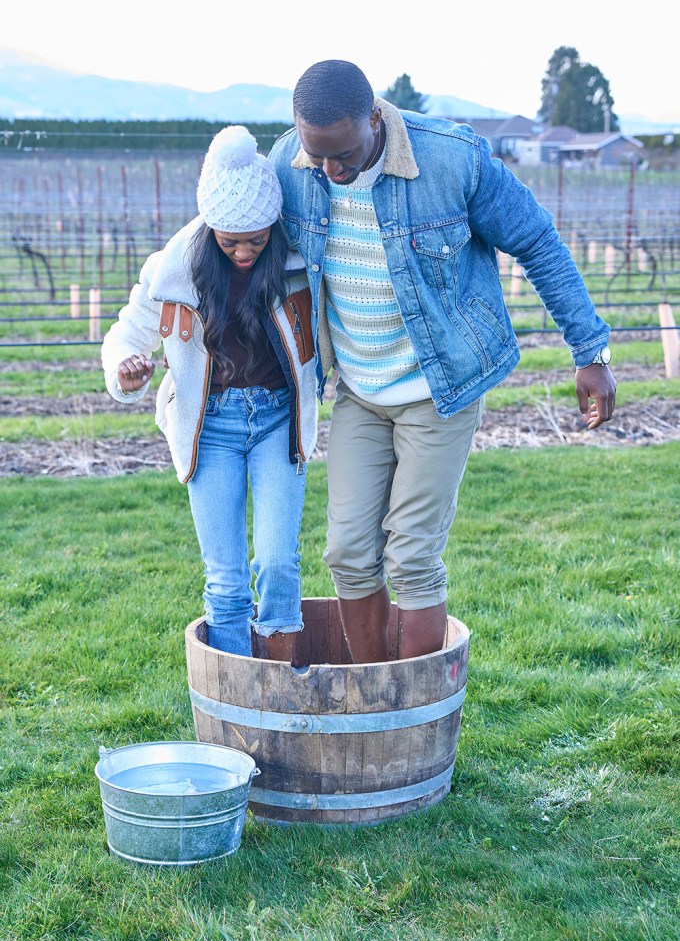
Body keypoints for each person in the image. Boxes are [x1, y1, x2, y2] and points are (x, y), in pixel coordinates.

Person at [268, 59, 616, 664]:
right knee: (348, 552)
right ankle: (375, 695)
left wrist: (589, 352)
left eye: (344, 154)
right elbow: (228, 235)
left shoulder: (453, 159)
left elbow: (537, 240)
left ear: (375, 119)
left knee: (411, 554)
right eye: (317, 155)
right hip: (358, 388)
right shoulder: (288, 165)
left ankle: (414, 706)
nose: (332, 171)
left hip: (441, 386)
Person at [102, 126, 318, 660]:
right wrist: (124, 371)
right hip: (210, 428)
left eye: (256, 239)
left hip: (277, 422)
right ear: (210, 228)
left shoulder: (298, 262)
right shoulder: (172, 271)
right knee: (225, 580)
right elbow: (125, 337)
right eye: (230, 241)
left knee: (277, 562)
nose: (245, 251)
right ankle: (239, 698)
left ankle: (281, 682)